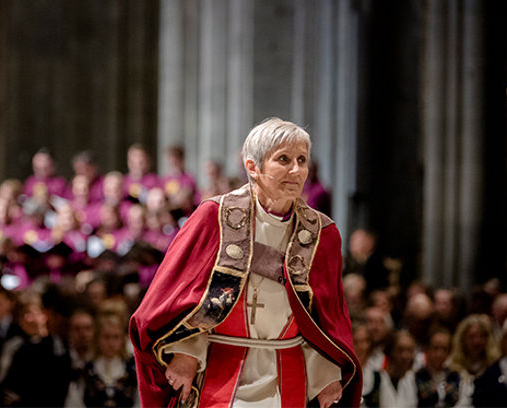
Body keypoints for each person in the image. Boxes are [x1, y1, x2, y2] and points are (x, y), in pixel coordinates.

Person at [129, 118, 361, 407]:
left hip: (289, 370)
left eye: (302, 160)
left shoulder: (322, 233)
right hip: (220, 367)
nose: (296, 170)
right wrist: (187, 353)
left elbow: (323, 317)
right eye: (284, 159)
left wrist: (325, 374)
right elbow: (182, 299)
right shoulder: (213, 217)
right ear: (253, 167)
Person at [415, 329, 460, 407]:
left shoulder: (453, 376)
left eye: (444, 349)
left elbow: (454, 398)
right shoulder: (418, 375)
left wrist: (434, 390)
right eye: (435, 348)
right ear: (427, 349)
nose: (439, 354)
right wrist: (445, 391)